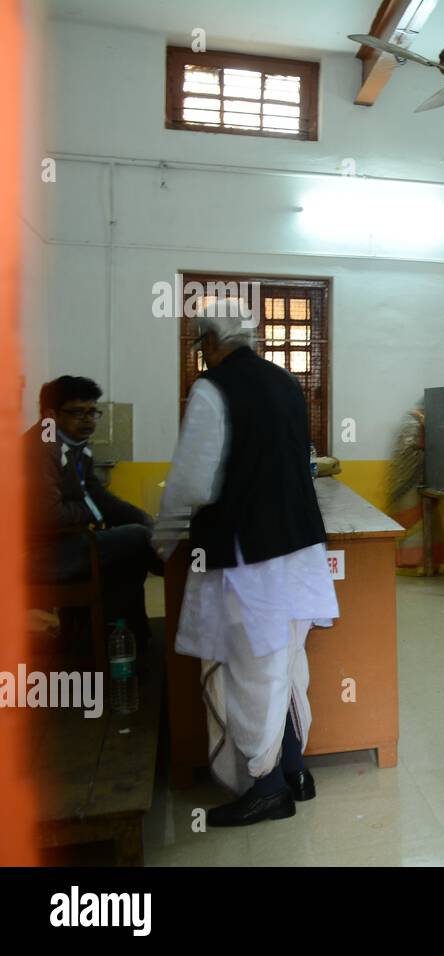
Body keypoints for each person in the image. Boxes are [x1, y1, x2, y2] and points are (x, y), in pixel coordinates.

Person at [153, 308, 338, 827]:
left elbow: (191, 483)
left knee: (252, 674)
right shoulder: (286, 382)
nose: (200, 354)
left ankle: (265, 787)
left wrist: (163, 539)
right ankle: (295, 770)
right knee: (287, 664)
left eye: (199, 345)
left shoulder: (212, 389)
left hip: (250, 559)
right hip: (299, 550)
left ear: (211, 341)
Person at [23, 375, 161, 653]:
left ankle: (115, 636)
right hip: (40, 555)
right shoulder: (39, 448)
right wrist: (92, 508)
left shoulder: (74, 446)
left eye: (92, 412)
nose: (88, 420)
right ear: (50, 414)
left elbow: (98, 496)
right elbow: (50, 514)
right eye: (78, 412)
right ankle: (93, 633)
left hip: (66, 544)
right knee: (139, 540)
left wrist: (146, 518)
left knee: (136, 552)